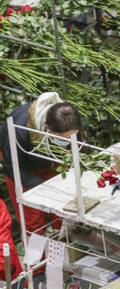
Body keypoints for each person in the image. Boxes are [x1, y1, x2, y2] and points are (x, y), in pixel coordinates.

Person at [0, 92, 81, 234]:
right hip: (21, 167)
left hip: (53, 162)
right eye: (62, 139)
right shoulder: (18, 130)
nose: (66, 142)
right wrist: (42, 187)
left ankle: (65, 246)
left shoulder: (71, 121)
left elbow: (81, 146)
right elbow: (11, 168)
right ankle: (38, 254)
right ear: (46, 127)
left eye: (70, 138)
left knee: (64, 208)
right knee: (32, 219)